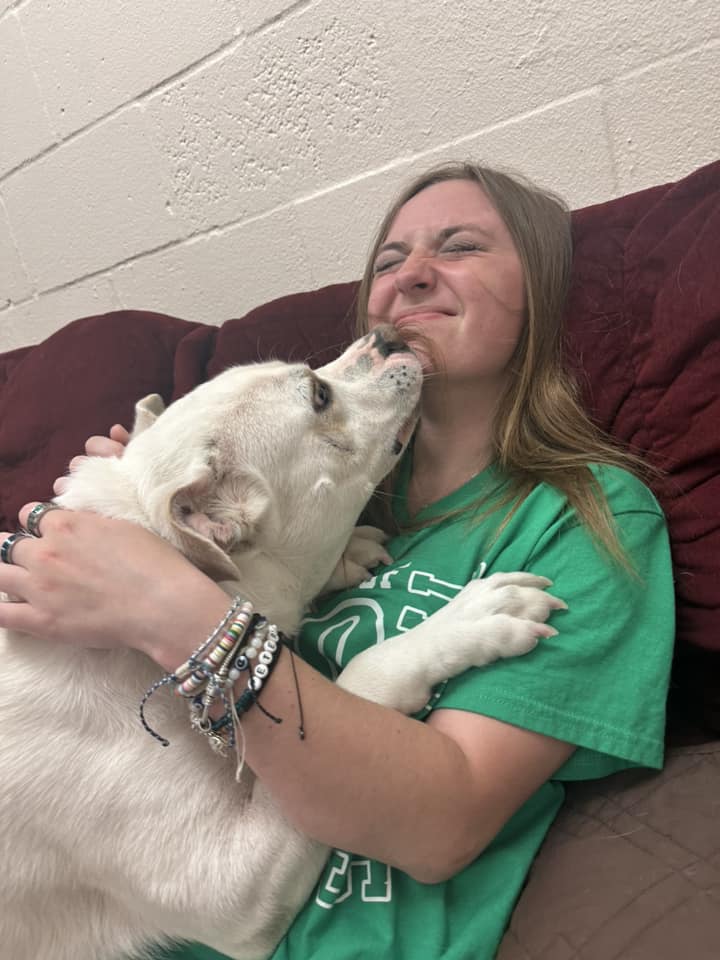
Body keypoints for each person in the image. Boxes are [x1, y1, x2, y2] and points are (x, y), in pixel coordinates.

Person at [0, 162, 675, 960]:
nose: (412, 275)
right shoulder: (322, 529)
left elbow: (443, 819)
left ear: (542, 291)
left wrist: (167, 602)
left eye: (459, 248)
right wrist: (139, 506)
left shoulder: (585, 515)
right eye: (388, 263)